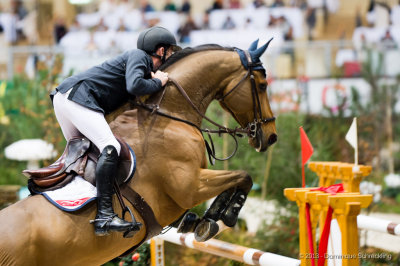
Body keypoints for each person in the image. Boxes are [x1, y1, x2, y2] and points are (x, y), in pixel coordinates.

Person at [50, 26, 181, 236]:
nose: (170, 56)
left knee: (86, 156)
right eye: (170, 51)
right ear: (160, 49)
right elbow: (135, 86)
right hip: (78, 97)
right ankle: (104, 216)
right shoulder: (140, 56)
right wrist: (158, 81)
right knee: (109, 148)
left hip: (65, 97)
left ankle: (73, 203)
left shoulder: (139, 64)